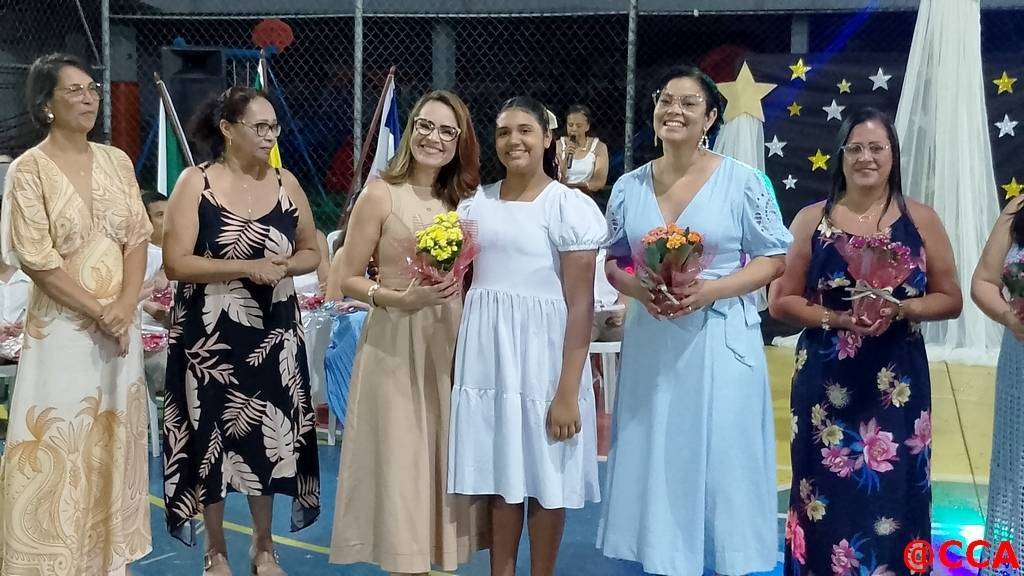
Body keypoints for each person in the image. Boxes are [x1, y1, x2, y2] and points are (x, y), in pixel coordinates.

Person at [596, 65, 791, 576]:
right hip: (653, 337)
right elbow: (614, 260)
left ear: (710, 118)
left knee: (723, 450)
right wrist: (637, 287)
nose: (674, 110)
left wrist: (711, 291)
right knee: (657, 444)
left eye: (688, 103)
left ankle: (727, 558)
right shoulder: (628, 186)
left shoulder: (745, 181)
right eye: (666, 100)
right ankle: (663, 556)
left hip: (721, 335)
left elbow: (774, 259)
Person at [768, 107, 962, 576]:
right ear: (840, 156)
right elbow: (780, 301)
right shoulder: (811, 220)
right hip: (825, 385)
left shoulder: (921, 219)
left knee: (896, 493)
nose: (865, 157)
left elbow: (951, 299)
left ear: (893, 155)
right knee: (822, 494)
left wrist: (902, 308)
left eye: (876, 147)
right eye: (854, 148)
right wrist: (836, 318)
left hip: (898, 385)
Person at [0, 52, 152, 575]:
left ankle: (108, 563)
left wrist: (125, 307)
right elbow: (36, 260)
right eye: (75, 91)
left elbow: (138, 238)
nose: (90, 99)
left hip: (120, 331)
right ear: (46, 104)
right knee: (59, 443)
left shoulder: (117, 161)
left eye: (93, 90)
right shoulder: (28, 170)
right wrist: (101, 312)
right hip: (62, 332)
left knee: (112, 440)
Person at [161, 86, 322, 576]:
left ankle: (264, 546)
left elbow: (312, 251)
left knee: (264, 440)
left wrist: (285, 266)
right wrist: (246, 268)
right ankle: (215, 551)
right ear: (228, 130)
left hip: (272, 335)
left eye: (274, 127)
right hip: (209, 338)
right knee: (210, 440)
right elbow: (175, 262)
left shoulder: (286, 181)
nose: (270, 136)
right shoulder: (196, 182)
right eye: (260, 127)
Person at [328, 90, 489, 576]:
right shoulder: (380, 194)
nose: (433, 138)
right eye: (425, 125)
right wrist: (398, 299)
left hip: (451, 345)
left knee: (440, 467)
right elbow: (346, 277)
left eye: (446, 131)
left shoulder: (465, 201)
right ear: (411, 129)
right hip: (394, 345)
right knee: (402, 469)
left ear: (459, 142)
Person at [448, 96, 604, 576]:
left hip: (544, 363)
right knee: (503, 476)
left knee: (545, 479)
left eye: (525, 131)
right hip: (490, 362)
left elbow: (581, 306)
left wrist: (567, 391)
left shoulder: (567, 206)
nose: (513, 140)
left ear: (547, 138)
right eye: (503, 132)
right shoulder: (474, 204)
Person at [970, 195, 1024, 573]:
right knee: (1017, 469)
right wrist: (1010, 316)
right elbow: (984, 282)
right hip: (1020, 361)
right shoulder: (1019, 208)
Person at [556, 104, 608, 195]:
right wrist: (565, 160)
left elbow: (599, 181)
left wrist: (581, 187)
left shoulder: (599, 147)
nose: (574, 129)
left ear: (587, 126)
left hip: (587, 194)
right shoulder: (558, 145)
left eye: (579, 126)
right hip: (560, 193)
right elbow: (553, 177)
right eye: (570, 125)